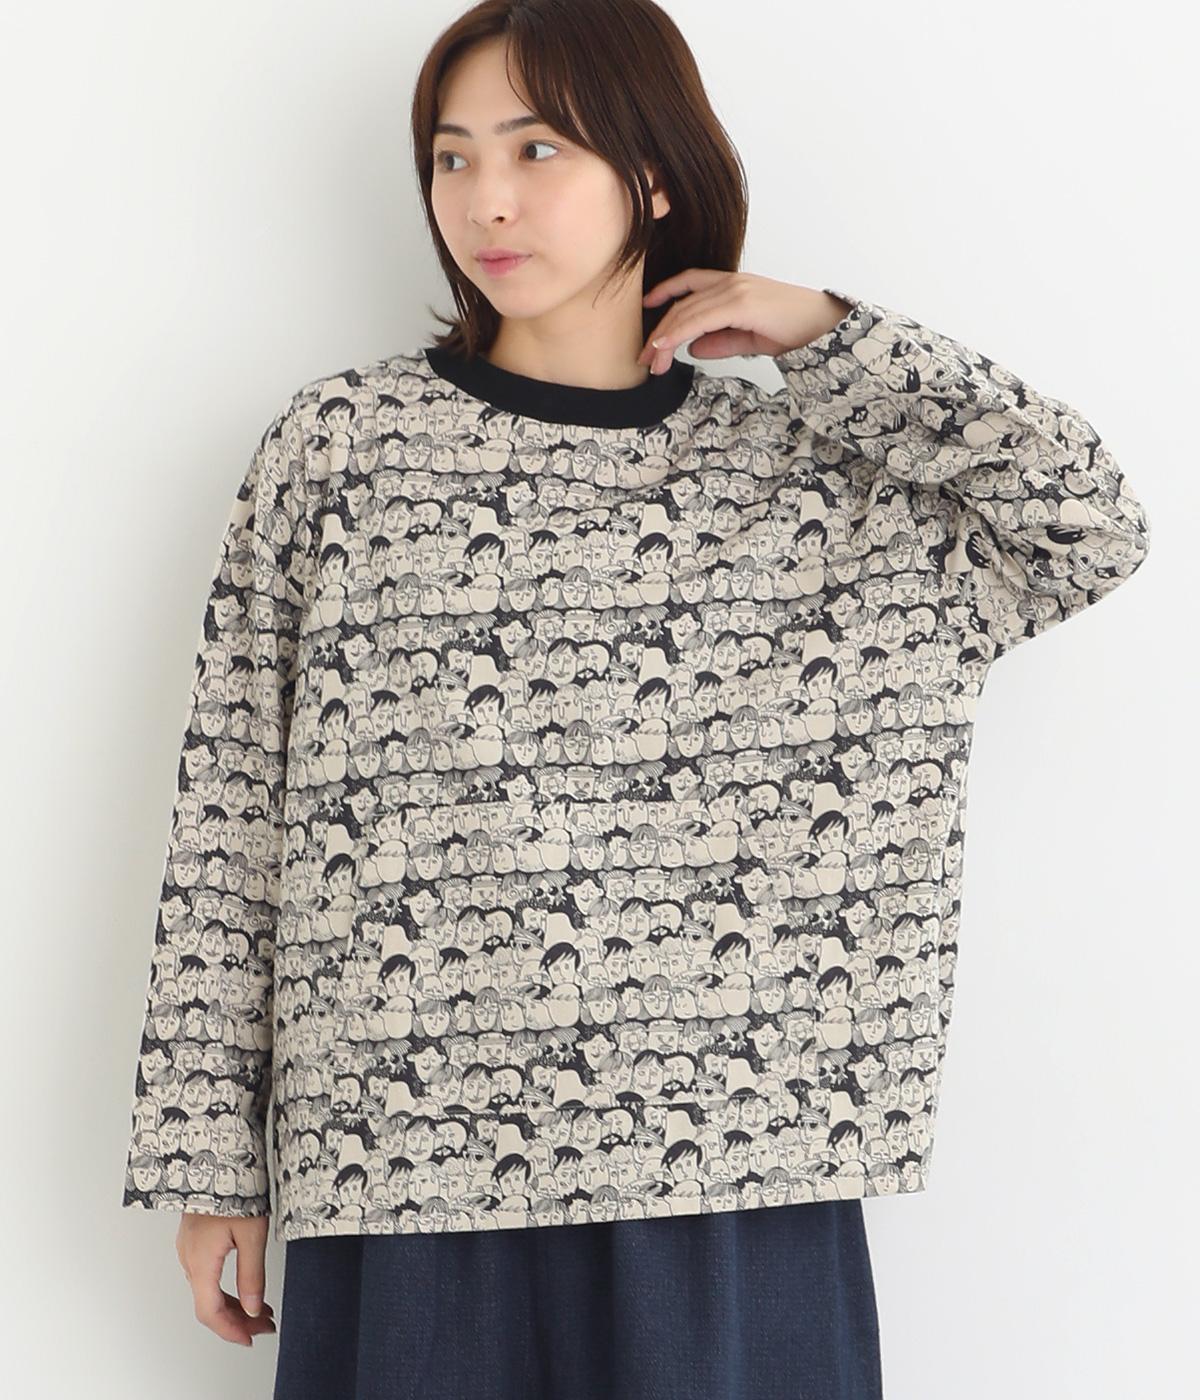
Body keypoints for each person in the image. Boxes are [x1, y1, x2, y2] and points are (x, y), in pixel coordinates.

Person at [120, 1, 1152, 1397]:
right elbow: (233, 806)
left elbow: (1087, 525)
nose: (485, 199)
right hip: (405, 1162)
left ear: (653, 174)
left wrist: (832, 335)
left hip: (732, 1164)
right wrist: (205, 1159)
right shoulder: (343, 449)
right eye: (452, 156)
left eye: (537, 149)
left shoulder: (816, 486)